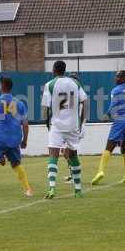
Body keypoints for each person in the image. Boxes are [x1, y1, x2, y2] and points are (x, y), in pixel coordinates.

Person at [41, 61, 87, 199]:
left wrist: (46, 122)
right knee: (73, 156)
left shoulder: (50, 84)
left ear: (54, 70)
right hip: (73, 125)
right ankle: (78, 190)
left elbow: (45, 107)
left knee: (53, 155)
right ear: (65, 70)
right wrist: (82, 120)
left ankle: (52, 188)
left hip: (56, 125)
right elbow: (85, 101)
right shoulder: (75, 83)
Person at [91, 70, 125, 185]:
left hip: (120, 120)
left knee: (109, 147)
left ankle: (100, 172)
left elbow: (113, 105)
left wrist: (107, 115)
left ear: (124, 78)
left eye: (117, 77)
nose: (115, 79)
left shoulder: (116, 90)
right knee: (124, 149)